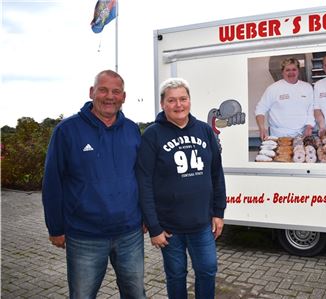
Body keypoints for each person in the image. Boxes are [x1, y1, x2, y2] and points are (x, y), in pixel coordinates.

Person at [42, 70, 146, 299]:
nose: (110, 96)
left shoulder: (131, 130)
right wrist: (55, 228)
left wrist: (148, 217)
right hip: (84, 236)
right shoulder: (66, 131)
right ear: (92, 92)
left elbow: (142, 177)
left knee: (136, 293)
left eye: (116, 92)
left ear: (124, 96)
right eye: (103, 90)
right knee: (82, 295)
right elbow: (52, 182)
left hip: (130, 233)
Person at [136, 77, 227, 299]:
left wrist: (218, 212)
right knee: (176, 275)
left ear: (189, 101)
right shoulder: (152, 135)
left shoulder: (205, 131)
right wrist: (154, 227)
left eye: (183, 99)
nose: (179, 105)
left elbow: (216, 172)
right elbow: (144, 183)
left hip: (201, 224)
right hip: (170, 228)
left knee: (207, 270)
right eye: (172, 100)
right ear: (162, 104)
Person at [255, 57, 315, 140]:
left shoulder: (307, 87)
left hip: (302, 135)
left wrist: (309, 126)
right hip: (279, 135)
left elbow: (311, 109)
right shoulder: (273, 88)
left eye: (294, 69)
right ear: (282, 72)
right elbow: (260, 109)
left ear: (298, 71)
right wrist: (262, 128)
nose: (291, 72)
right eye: (287, 70)